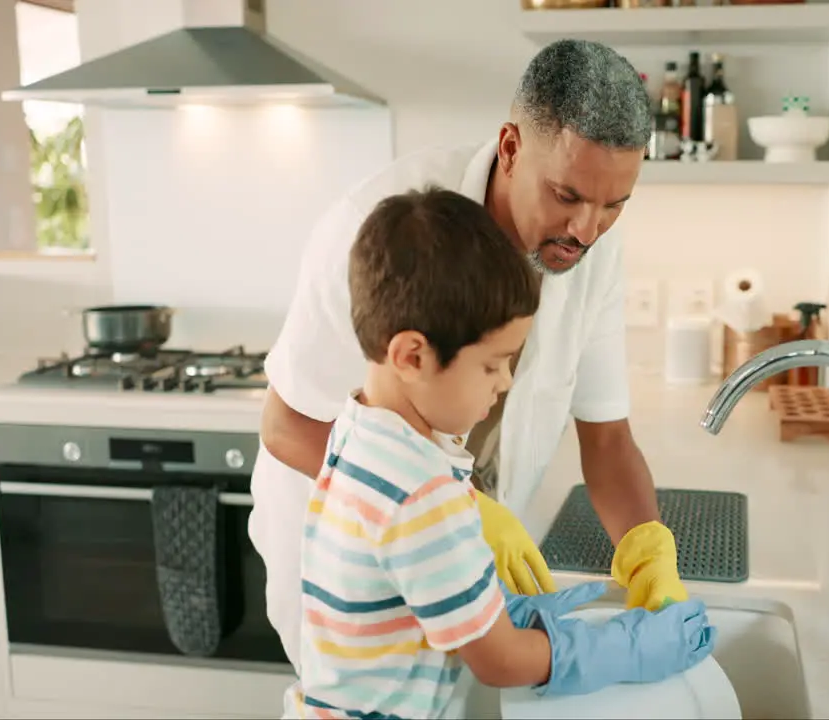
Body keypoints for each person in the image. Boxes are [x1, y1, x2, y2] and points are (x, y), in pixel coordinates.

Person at [253, 38, 690, 669]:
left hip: (462, 561)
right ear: (511, 148)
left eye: (615, 204)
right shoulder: (374, 228)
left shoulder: (592, 248)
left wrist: (649, 547)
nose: (587, 231)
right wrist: (448, 507)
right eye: (567, 196)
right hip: (354, 588)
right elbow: (286, 426)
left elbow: (608, 439)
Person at [287, 186, 714, 719]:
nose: (505, 382)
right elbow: (500, 662)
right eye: (492, 364)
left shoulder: (359, 430)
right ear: (412, 355)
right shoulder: (424, 495)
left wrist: (502, 607)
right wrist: (629, 648)